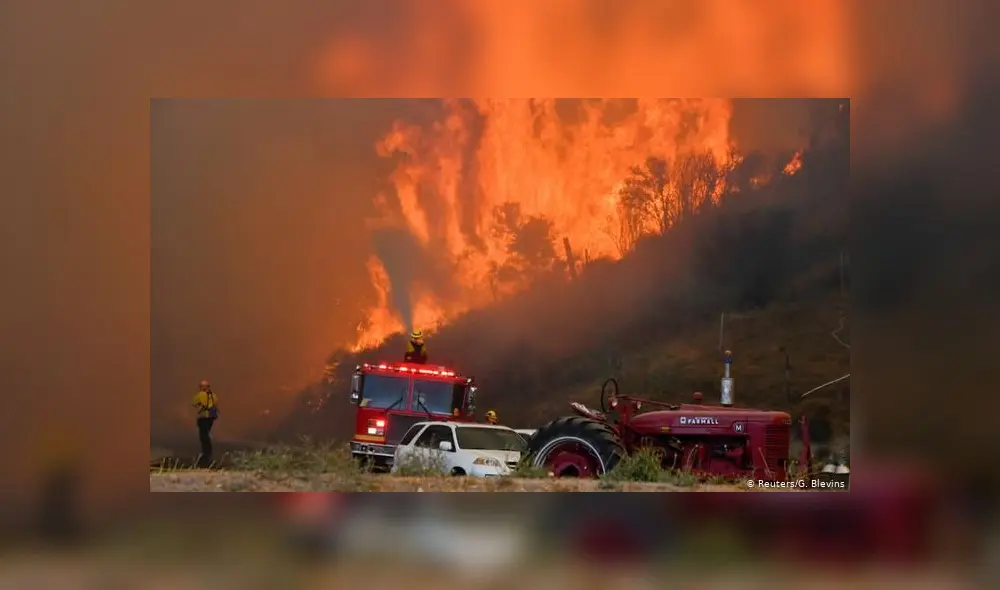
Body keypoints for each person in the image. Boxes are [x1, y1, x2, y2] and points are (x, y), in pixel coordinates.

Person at [192, 379, 219, 467]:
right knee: (206, 435)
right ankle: (207, 454)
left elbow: (193, 403)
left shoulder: (199, 395)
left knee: (203, 437)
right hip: (210, 418)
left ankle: (205, 455)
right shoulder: (213, 395)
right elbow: (216, 404)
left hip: (202, 418)